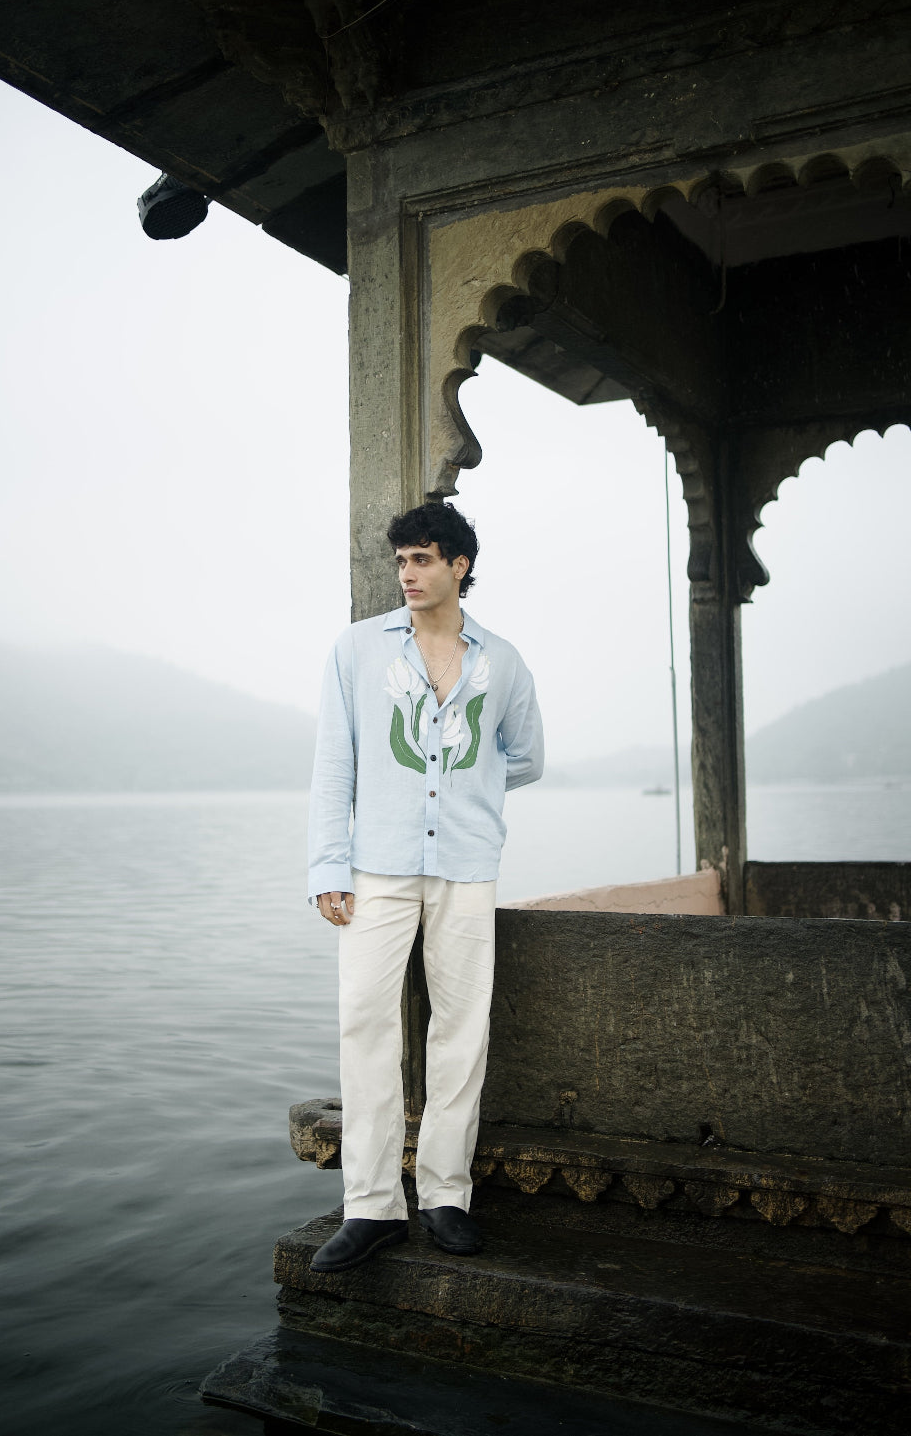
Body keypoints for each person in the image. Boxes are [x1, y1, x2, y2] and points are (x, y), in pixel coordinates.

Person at [307, 500, 543, 1272]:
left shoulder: (501, 660)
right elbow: (334, 764)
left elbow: (526, 755)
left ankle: (445, 1195)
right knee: (364, 1026)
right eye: (401, 560)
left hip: (467, 867)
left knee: (460, 1032)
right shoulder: (356, 651)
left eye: (421, 559)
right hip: (376, 866)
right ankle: (372, 1206)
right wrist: (327, 866)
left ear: (458, 566)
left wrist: (467, 783)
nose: (407, 574)